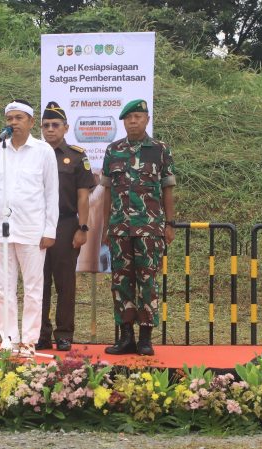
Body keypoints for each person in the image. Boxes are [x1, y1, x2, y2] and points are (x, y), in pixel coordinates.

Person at [0, 99, 59, 357]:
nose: (13, 123)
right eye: (10, 118)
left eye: (19, 118)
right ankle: (9, 340)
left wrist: (49, 230)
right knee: (4, 289)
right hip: (1, 230)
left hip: (32, 229)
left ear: (31, 122)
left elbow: (51, 193)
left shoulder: (43, 151)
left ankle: (29, 341)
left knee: (33, 289)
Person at [100, 99, 176, 356]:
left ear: (147, 120)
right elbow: (107, 192)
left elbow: (168, 189)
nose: (133, 121)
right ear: (123, 122)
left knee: (147, 281)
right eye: (129, 118)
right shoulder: (113, 150)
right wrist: (106, 227)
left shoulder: (160, 150)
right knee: (121, 282)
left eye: (138, 117)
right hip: (119, 228)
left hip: (149, 229)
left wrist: (169, 223)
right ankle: (125, 338)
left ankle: (145, 338)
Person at [36, 102, 96, 351]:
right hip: (35, 224)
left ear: (66, 128)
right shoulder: (33, 154)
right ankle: (40, 333)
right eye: (46, 125)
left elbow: (83, 196)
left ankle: (64, 333)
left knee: (64, 282)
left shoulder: (77, 156)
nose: (50, 129)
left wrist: (82, 228)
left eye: (55, 125)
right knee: (37, 283)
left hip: (65, 223)